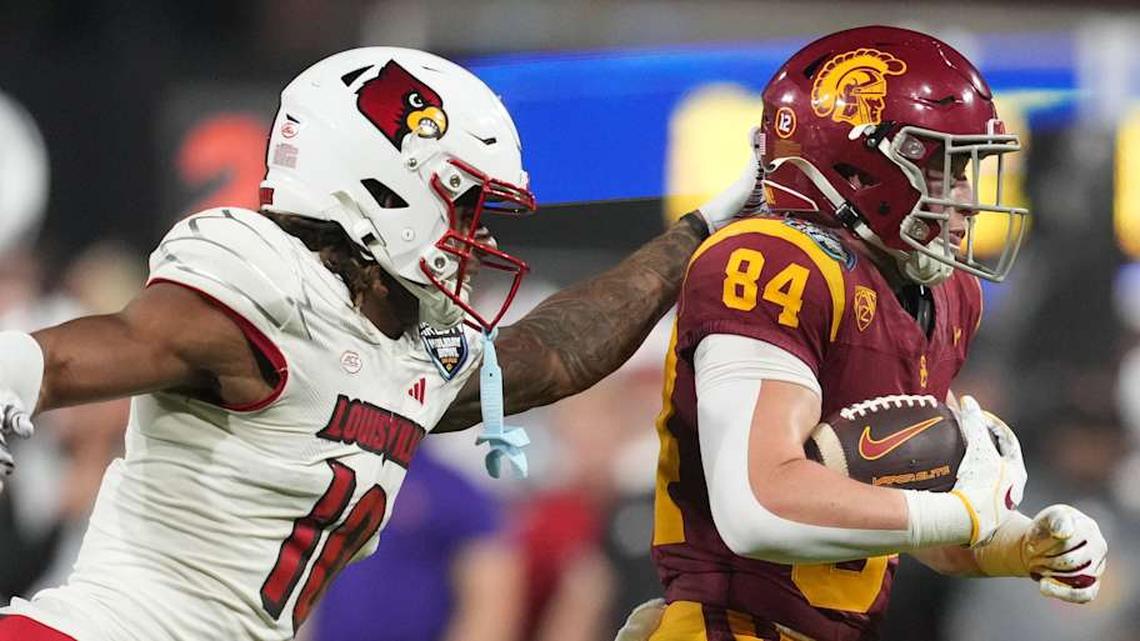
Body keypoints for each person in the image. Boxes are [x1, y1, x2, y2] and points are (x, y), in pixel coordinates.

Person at [0, 47, 758, 641]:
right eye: (462, 204)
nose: (479, 233)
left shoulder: (400, 341)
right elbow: (130, 338)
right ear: (381, 186)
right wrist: (20, 365)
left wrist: (696, 235)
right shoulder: (264, 292)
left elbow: (553, 353)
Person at [618, 26, 1108, 641]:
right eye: (943, 169)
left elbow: (910, 511)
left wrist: (1020, 544)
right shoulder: (773, 261)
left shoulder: (944, 294)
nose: (967, 201)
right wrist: (959, 513)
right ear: (859, 164)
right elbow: (758, 505)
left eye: (969, 171)